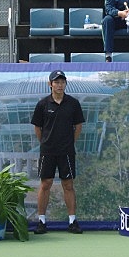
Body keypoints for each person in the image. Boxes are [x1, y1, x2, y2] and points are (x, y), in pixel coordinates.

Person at [31, 70, 85, 234]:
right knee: (45, 184)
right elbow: (38, 128)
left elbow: (78, 126)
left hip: (66, 151)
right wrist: (45, 143)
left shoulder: (73, 103)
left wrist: (69, 143)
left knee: (68, 184)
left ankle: (72, 221)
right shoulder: (42, 104)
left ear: (65, 84)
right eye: (56, 82)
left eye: (62, 82)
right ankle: (41, 221)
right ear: (50, 84)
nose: (60, 85)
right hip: (47, 151)